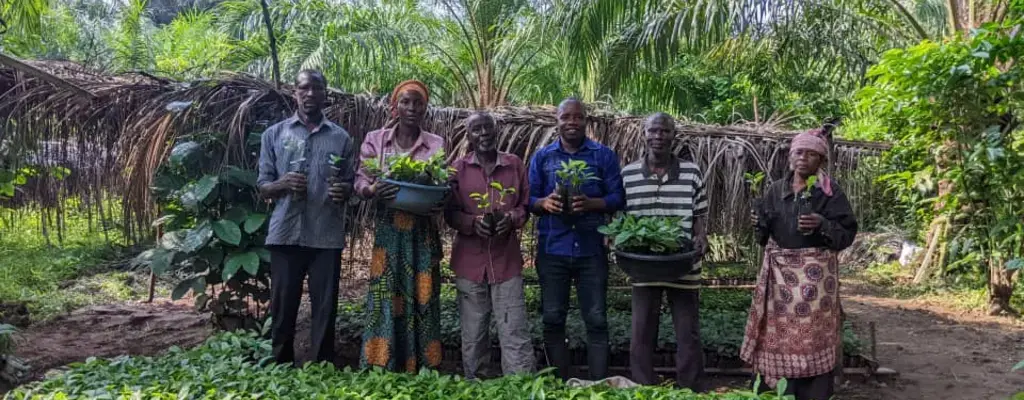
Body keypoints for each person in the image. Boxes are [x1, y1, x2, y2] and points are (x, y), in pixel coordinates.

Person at [741, 129, 858, 400]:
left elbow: (847, 234)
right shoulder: (775, 190)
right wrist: (759, 224)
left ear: (821, 161)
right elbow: (763, 238)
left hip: (815, 283)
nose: (803, 158)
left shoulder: (829, 193)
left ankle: (813, 394)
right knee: (777, 334)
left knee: (812, 336)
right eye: (799, 152)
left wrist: (822, 224)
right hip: (780, 281)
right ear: (790, 156)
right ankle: (777, 392)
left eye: (811, 154)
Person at [256, 69, 355, 366]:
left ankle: (322, 366)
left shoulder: (340, 138)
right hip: (285, 233)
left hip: (325, 233)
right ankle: (281, 364)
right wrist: (283, 183)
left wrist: (344, 190)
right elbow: (263, 187)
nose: (310, 93)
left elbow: (351, 184)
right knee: (283, 305)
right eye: (304, 88)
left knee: (325, 307)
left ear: (326, 94)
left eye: (317, 88)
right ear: (295, 92)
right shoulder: (274, 135)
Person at [528, 97, 625, 380]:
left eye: (578, 117)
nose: (572, 122)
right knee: (552, 318)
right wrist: (544, 203)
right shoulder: (543, 157)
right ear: (557, 121)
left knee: (596, 319)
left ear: (586, 120)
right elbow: (528, 198)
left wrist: (592, 204)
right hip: (553, 248)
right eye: (566, 117)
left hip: (591, 249)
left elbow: (618, 197)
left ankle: (598, 385)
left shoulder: (603, 156)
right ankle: (560, 383)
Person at [355, 80, 446, 372]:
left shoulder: (436, 144)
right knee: (386, 294)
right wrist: (371, 190)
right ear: (395, 106)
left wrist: (440, 199)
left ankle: (423, 365)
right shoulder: (376, 140)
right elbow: (361, 179)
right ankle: (382, 362)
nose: (411, 108)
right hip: (389, 232)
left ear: (425, 108)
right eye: (405, 102)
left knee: (423, 295)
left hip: (422, 231)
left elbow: (442, 183)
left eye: (418, 103)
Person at [621, 113, 708, 390]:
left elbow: (699, 216)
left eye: (665, 131)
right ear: (644, 134)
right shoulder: (628, 174)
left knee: (687, 332)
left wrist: (701, 238)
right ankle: (644, 387)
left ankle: (690, 388)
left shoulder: (691, 173)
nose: (658, 136)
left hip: (683, 264)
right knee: (642, 331)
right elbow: (620, 218)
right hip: (643, 265)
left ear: (674, 136)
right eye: (653, 131)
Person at [446, 112, 535, 379]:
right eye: (477, 129)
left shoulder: (514, 165)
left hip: (506, 261)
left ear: (496, 131)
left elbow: (525, 205)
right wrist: (472, 223)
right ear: (469, 136)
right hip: (469, 262)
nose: (483, 133)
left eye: (488, 128)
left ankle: (520, 386)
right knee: (473, 333)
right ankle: (476, 385)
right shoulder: (457, 170)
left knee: (514, 328)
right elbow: (449, 213)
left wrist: (512, 218)